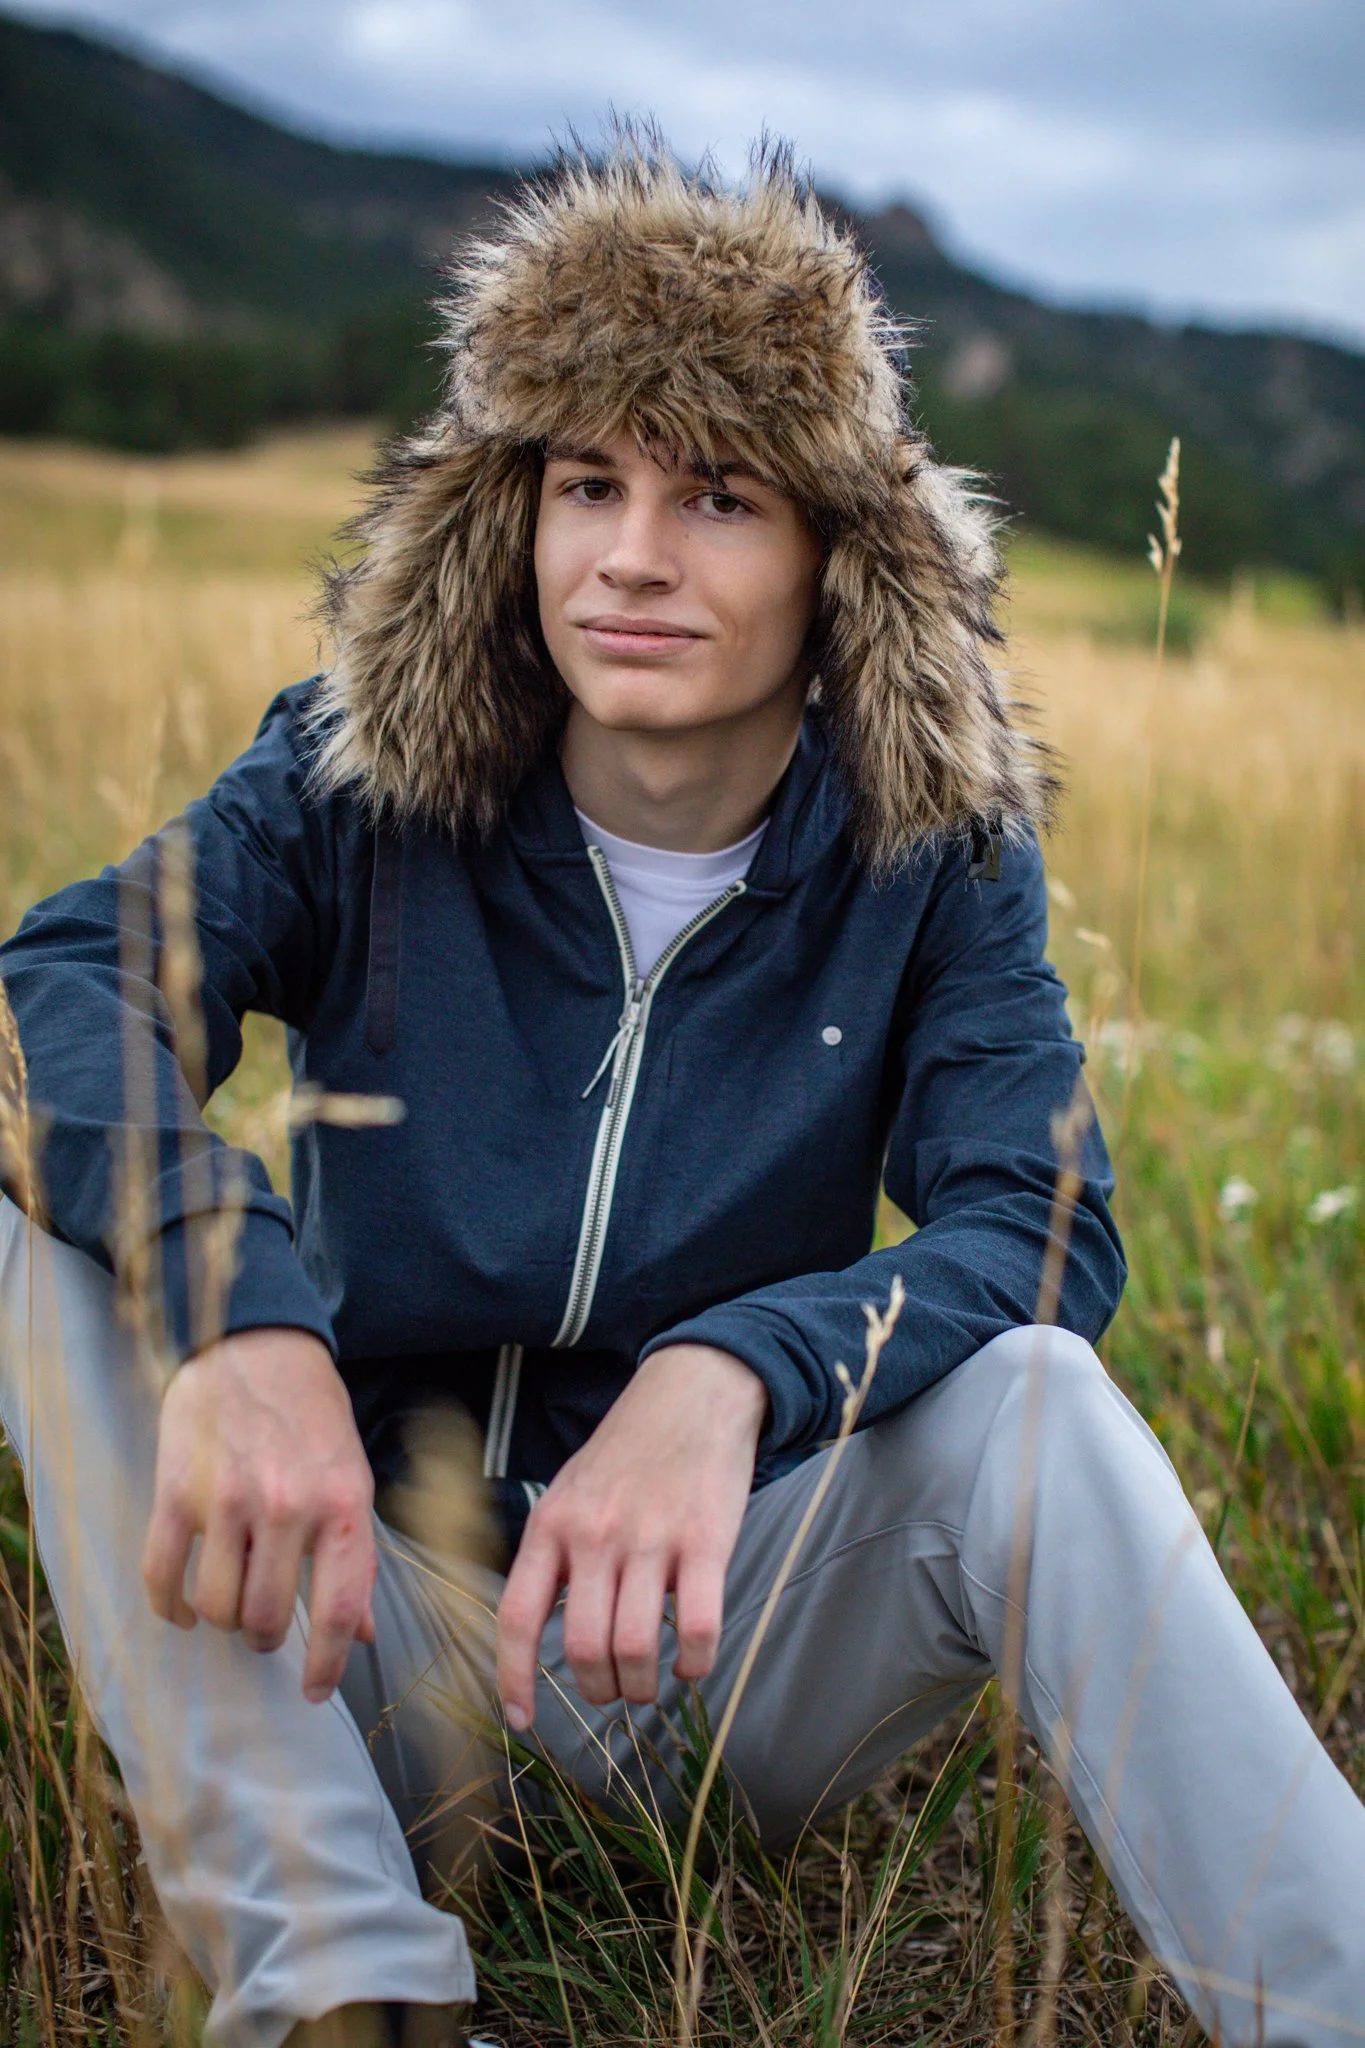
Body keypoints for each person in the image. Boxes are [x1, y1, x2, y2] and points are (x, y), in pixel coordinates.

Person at [1, 137, 1362, 2048]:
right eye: (585, 484)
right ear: (515, 517)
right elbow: (58, 987)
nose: (632, 555)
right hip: (345, 1635)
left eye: (717, 494)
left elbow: (1042, 1228)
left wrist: (740, 1371)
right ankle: (349, 1986)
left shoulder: (929, 857)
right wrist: (233, 1302)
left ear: (836, 560)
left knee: (1038, 1398)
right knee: (40, 1226)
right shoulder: (354, 781)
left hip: (721, 1650)